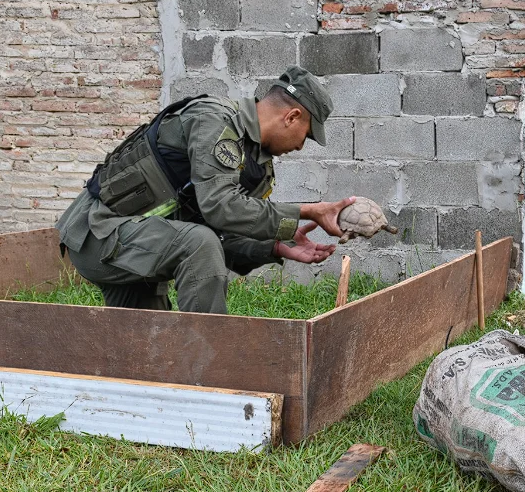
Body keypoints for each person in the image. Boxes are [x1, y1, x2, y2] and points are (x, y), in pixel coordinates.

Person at [57, 66, 355, 314]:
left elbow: (222, 233)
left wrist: (276, 246)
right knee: (197, 244)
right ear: (291, 117)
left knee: (148, 351)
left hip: (138, 247)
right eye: (306, 136)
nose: (301, 146)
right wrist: (306, 211)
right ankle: (213, 370)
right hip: (98, 236)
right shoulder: (215, 120)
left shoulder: (256, 168)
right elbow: (219, 208)